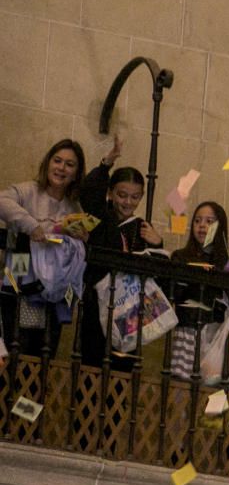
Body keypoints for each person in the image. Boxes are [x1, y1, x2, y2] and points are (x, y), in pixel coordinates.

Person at [78, 136, 164, 368]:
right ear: (110, 193)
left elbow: (156, 273)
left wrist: (157, 243)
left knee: (123, 366)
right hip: (97, 302)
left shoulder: (142, 227)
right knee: (92, 362)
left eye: (135, 197)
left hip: (130, 308)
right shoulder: (100, 217)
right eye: (121, 195)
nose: (127, 202)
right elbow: (87, 193)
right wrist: (107, 162)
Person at [0, 139, 87, 357]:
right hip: (20, 270)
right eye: (57, 161)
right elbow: (2, 201)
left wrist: (79, 237)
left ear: (76, 173)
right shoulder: (28, 190)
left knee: (43, 351)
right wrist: (31, 225)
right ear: (48, 163)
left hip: (54, 286)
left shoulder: (74, 206)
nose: (61, 168)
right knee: (16, 343)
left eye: (69, 164)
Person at [169, 202, 229, 381]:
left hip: (214, 333)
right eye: (197, 221)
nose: (202, 225)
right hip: (187, 329)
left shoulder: (226, 261)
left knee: (208, 383)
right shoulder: (181, 256)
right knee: (181, 382)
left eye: (209, 221)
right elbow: (175, 293)